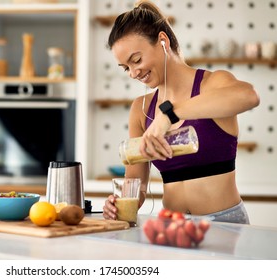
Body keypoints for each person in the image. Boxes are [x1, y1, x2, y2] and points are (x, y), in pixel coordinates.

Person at [102, 1, 260, 224]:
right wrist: (120, 203)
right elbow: (137, 185)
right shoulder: (142, 109)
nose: (133, 73)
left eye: (136, 60)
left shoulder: (212, 85)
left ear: (163, 41)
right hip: (171, 225)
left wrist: (169, 115)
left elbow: (249, 96)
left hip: (225, 224)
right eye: (126, 67)